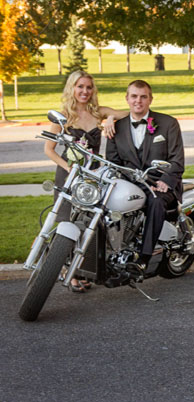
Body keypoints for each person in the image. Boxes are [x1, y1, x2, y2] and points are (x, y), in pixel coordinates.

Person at [44, 70, 128, 292]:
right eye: (80, 86)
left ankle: (82, 271)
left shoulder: (98, 112)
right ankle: (66, 271)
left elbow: (128, 113)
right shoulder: (64, 116)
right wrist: (68, 167)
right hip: (68, 174)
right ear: (72, 88)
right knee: (66, 221)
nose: (84, 91)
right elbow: (49, 149)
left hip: (92, 176)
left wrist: (110, 118)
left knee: (88, 224)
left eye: (89, 87)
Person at [105, 80, 185, 272]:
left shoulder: (168, 123)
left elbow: (177, 160)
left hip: (160, 183)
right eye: (134, 96)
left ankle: (144, 258)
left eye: (143, 97)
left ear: (150, 99)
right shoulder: (117, 128)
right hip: (130, 184)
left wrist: (166, 181)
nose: (138, 101)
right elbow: (112, 162)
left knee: (156, 201)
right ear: (127, 99)